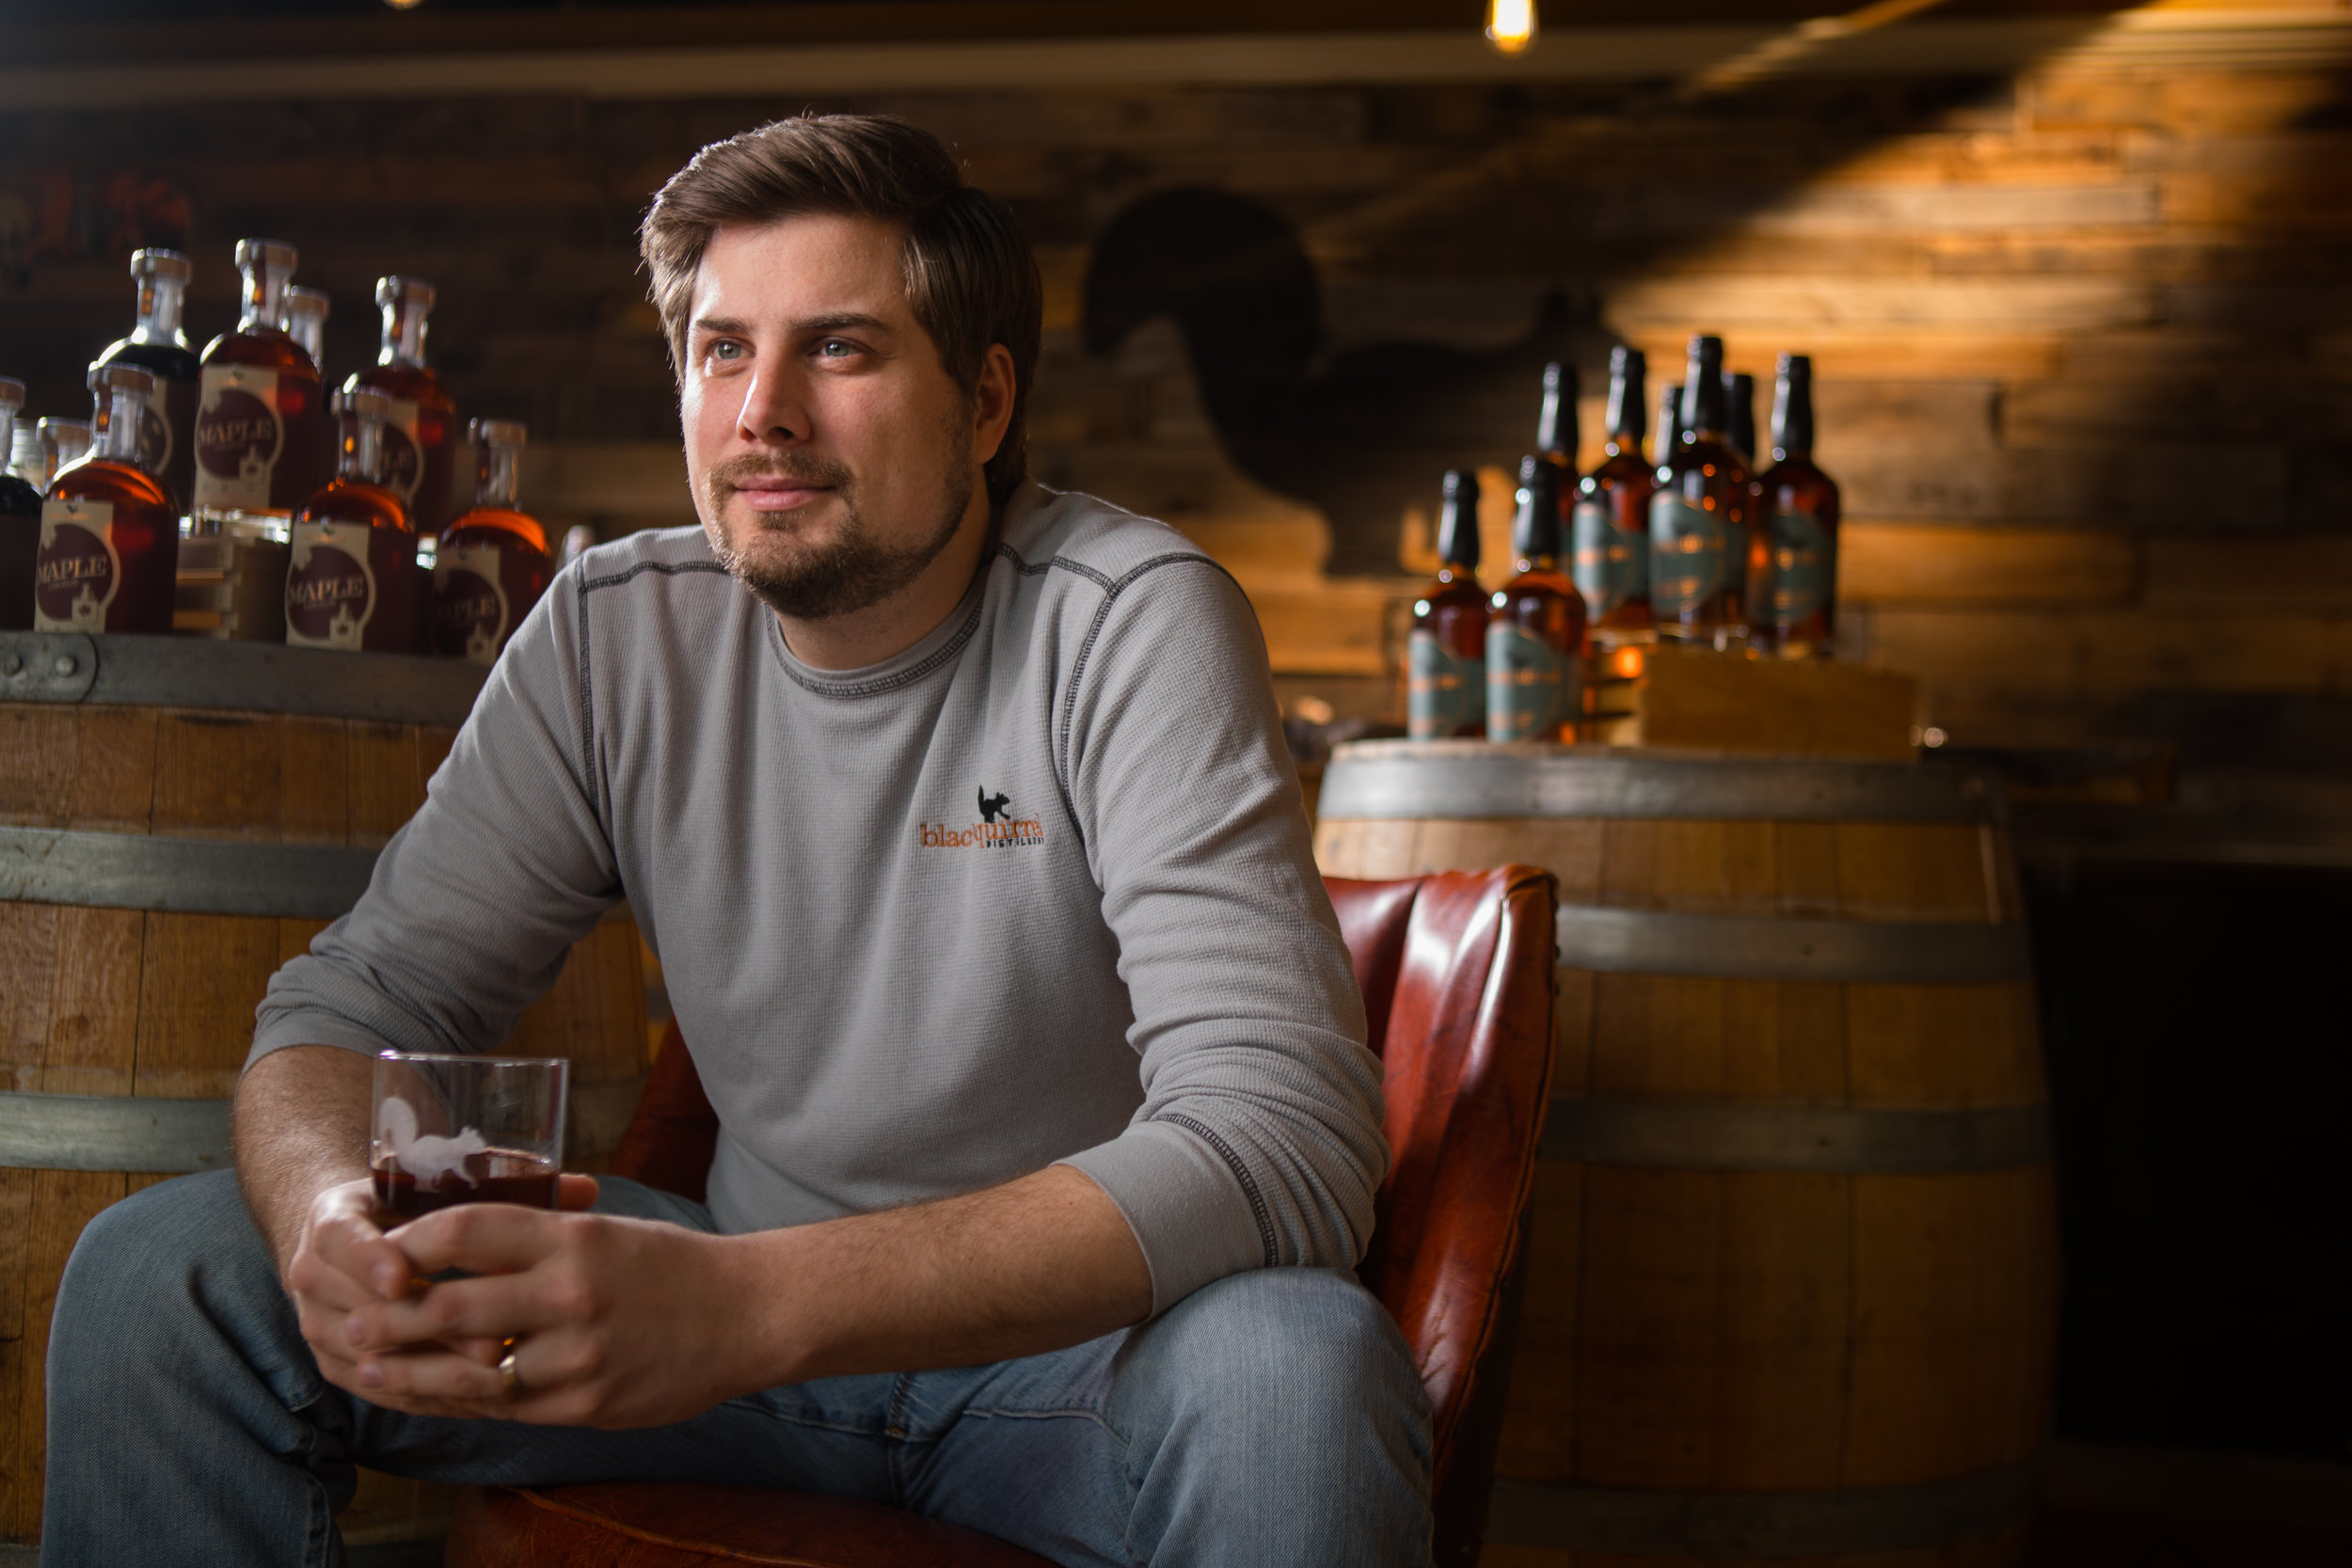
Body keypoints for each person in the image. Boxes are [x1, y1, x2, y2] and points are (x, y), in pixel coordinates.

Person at [40, 114, 1432, 1567]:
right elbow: (352, 1005)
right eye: (721, 350)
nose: (763, 412)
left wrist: (750, 1305)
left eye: (840, 347)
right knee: (162, 1278)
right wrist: (331, 1213)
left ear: (985, 402)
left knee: (1298, 1367)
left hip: (1079, 1370)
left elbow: (1286, 1139)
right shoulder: (606, 634)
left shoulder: (1129, 619)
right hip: (738, 1358)